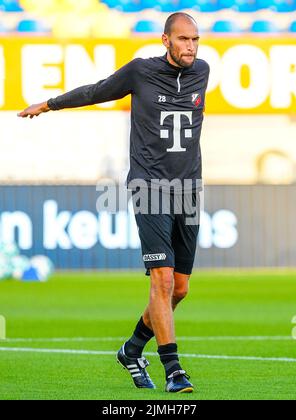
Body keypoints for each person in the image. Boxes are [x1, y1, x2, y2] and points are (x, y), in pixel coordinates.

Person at [18, 12, 210, 393]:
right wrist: (50, 104)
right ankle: (174, 369)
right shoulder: (139, 72)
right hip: (150, 186)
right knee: (163, 278)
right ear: (165, 40)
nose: (190, 46)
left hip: (189, 190)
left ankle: (132, 349)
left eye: (195, 39)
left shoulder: (201, 71)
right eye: (183, 39)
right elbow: (96, 90)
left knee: (181, 288)